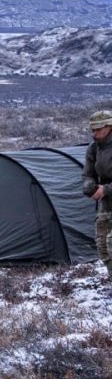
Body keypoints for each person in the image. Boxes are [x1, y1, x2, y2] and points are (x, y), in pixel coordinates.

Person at [82, 109, 112, 279]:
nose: (94, 133)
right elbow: (88, 174)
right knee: (103, 247)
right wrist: (89, 187)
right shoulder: (94, 148)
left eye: (98, 129)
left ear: (109, 126)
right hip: (106, 204)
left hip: (107, 193)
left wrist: (105, 189)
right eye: (92, 129)